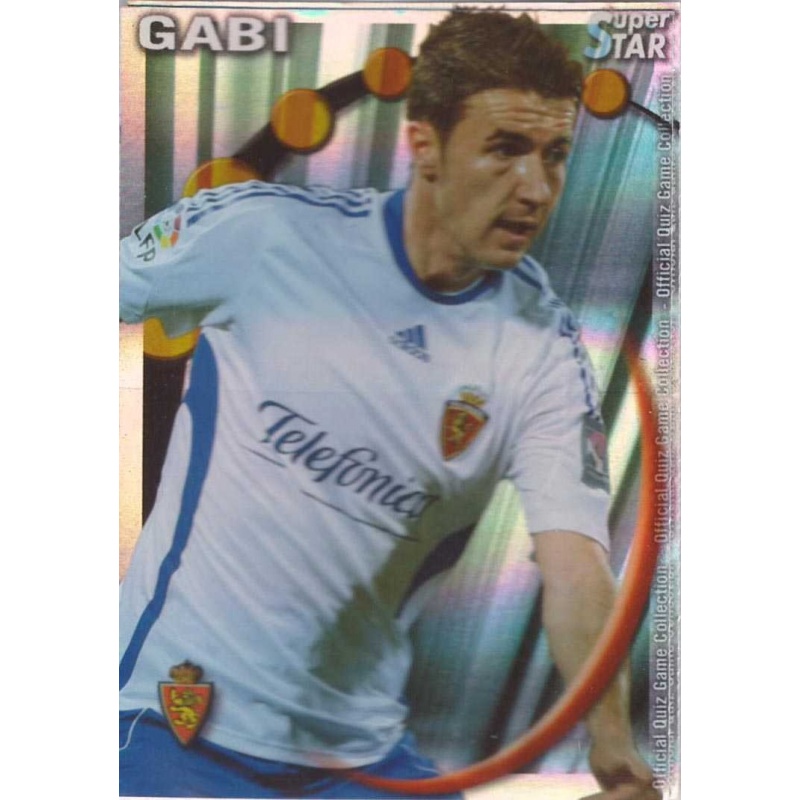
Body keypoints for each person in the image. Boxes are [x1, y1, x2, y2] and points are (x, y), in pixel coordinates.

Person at [119, 8, 658, 799]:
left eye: (555, 155)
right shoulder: (261, 235)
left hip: (359, 757)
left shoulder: (542, 350)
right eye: (505, 149)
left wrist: (613, 752)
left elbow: (575, 564)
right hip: (171, 724)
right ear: (424, 145)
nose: (535, 189)